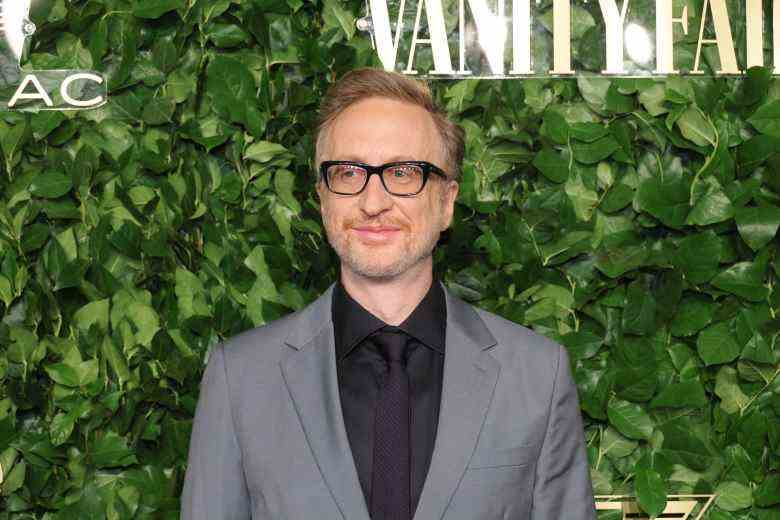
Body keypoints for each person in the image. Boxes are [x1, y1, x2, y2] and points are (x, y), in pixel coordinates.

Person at [181, 67, 597, 520]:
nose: (373, 202)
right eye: (348, 172)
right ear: (322, 198)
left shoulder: (537, 375)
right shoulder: (240, 380)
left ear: (447, 201)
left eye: (402, 172)